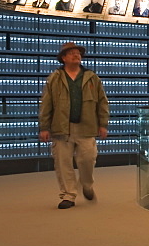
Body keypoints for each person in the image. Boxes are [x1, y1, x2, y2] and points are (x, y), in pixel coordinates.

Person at [39, 42, 109, 209]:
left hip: (86, 127)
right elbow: (46, 104)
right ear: (63, 58)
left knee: (88, 159)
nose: (76, 55)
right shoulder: (55, 78)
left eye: (78, 53)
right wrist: (44, 127)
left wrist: (103, 124)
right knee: (63, 163)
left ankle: (87, 184)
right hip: (61, 127)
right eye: (71, 53)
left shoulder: (92, 77)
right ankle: (68, 195)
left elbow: (102, 102)